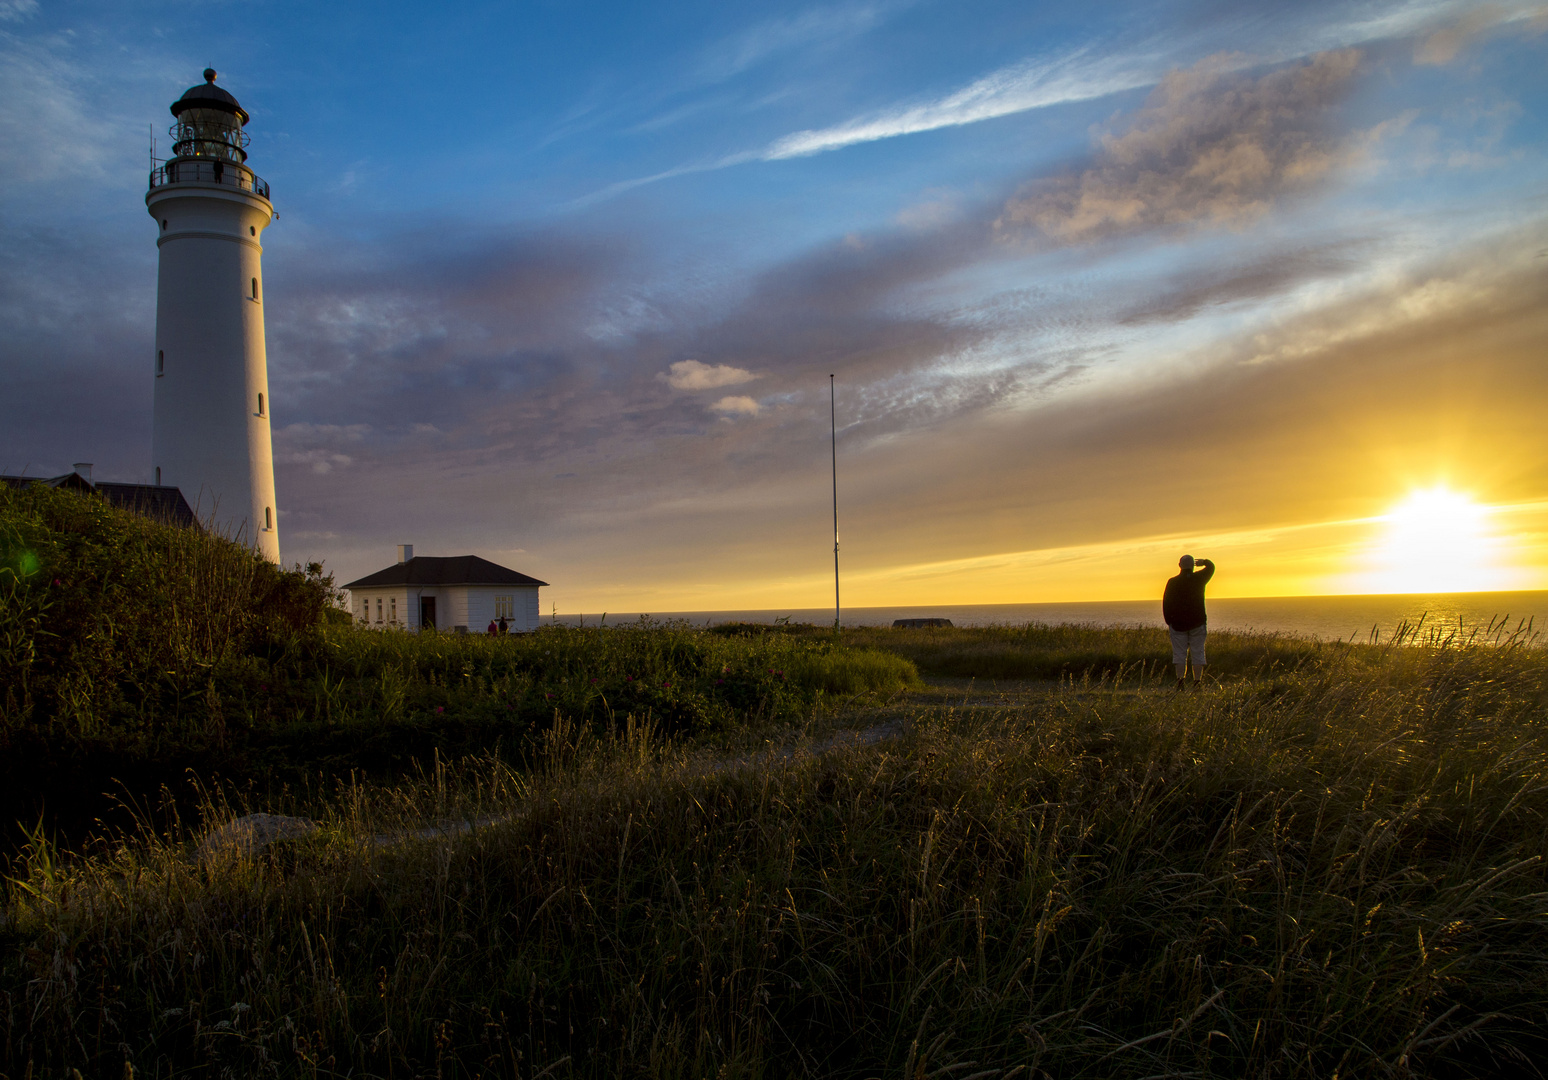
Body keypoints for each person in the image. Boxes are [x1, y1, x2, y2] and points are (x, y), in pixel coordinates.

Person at [1162, 554, 1214, 689]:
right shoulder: (1199, 579)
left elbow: (1166, 602)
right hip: (1198, 622)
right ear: (1192, 565)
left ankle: (1180, 682)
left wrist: (1169, 621)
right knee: (1198, 652)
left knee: (1179, 654)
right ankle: (1197, 682)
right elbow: (1211, 568)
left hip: (1178, 624)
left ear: (1179, 565)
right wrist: (1204, 562)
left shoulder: (1173, 582)